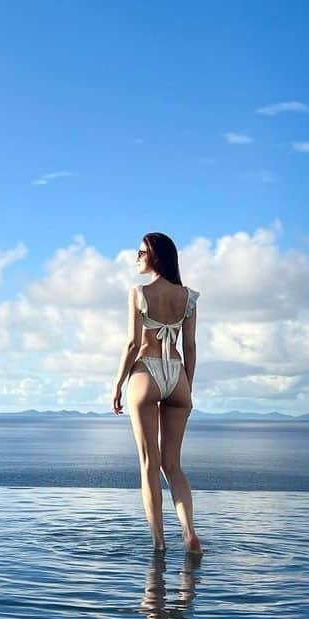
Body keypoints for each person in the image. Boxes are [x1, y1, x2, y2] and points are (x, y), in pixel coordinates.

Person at [112, 232, 203, 553]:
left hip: (146, 372)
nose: (137, 257)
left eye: (141, 252)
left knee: (149, 463)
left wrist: (119, 383)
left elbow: (133, 344)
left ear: (156, 257)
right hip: (177, 374)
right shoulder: (188, 297)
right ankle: (189, 532)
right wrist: (187, 385)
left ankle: (159, 542)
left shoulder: (138, 293)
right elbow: (189, 346)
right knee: (173, 465)